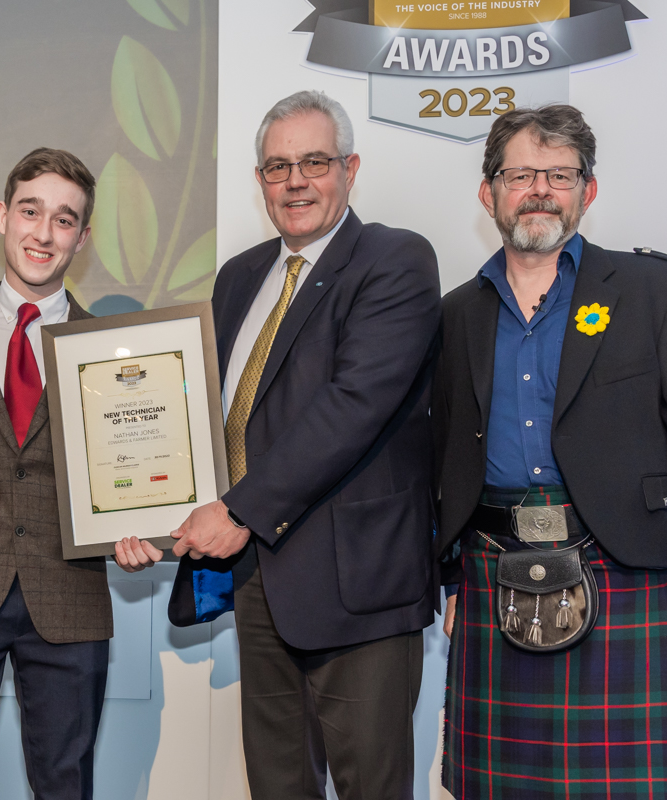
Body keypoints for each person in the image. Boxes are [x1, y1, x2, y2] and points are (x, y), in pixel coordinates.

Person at [433, 104, 667, 800]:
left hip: (620, 568)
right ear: (489, 193)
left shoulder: (657, 292)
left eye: (560, 174)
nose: (540, 190)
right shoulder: (458, 311)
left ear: (589, 190)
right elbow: (446, 452)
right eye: (520, 175)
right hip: (492, 571)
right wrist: (453, 575)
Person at [145, 90, 442, 799]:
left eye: (314, 162)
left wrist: (237, 510)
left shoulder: (395, 259)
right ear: (259, 180)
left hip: (360, 585)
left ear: (350, 169)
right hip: (260, 581)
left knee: (372, 787)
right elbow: (208, 415)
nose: (295, 181)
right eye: (278, 167)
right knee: (277, 786)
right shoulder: (239, 276)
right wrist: (149, 512)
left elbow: (353, 406)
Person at [0, 148, 157, 800]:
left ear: (83, 237)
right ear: (2, 216)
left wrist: (141, 527)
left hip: (69, 596)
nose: (44, 233)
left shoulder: (113, 352)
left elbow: (131, 467)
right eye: (30, 211)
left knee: (65, 787)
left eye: (64, 219)